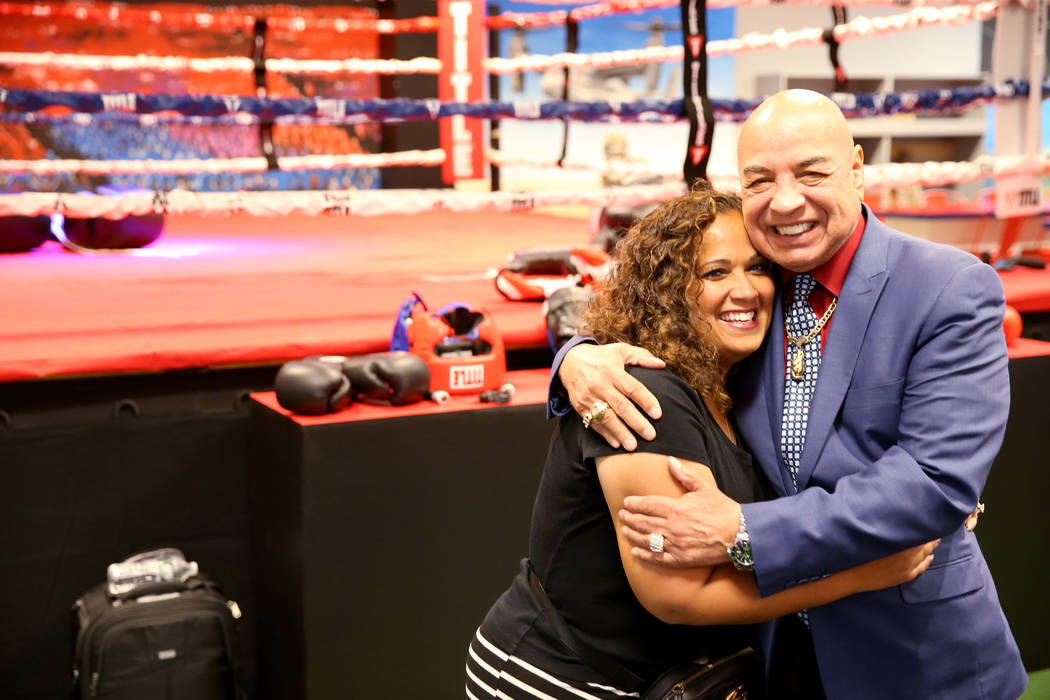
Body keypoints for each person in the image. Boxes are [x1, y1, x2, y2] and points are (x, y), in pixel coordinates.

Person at [549, 89, 1027, 699]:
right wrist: (576, 358)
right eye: (760, 181)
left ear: (856, 169)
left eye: (811, 173)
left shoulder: (947, 286)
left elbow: (935, 482)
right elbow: (654, 315)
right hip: (778, 655)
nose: (785, 201)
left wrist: (743, 530)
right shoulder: (759, 279)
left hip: (914, 651)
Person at [466, 182, 938, 700]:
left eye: (757, 267)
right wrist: (862, 573)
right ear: (667, 291)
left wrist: (927, 491)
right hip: (561, 676)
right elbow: (676, 596)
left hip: (670, 674)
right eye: (716, 272)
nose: (746, 289)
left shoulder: (746, 386)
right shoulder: (645, 396)